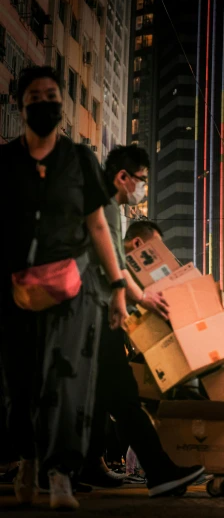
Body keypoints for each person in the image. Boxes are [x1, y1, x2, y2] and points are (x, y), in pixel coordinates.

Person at [0, 66, 128, 510]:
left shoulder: (80, 160)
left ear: (62, 105)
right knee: (20, 385)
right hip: (13, 291)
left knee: (64, 380)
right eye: (34, 96)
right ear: (20, 106)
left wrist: (118, 287)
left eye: (52, 94)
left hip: (69, 291)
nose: (44, 102)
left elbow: (97, 225)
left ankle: (59, 476)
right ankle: (28, 459)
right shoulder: (5, 162)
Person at [82, 207, 203, 495]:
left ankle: (86, 465)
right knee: (123, 397)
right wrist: (142, 299)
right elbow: (116, 282)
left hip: (96, 321)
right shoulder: (111, 236)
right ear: (139, 244)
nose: (159, 256)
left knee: (99, 397)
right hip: (97, 318)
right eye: (156, 248)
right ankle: (160, 472)